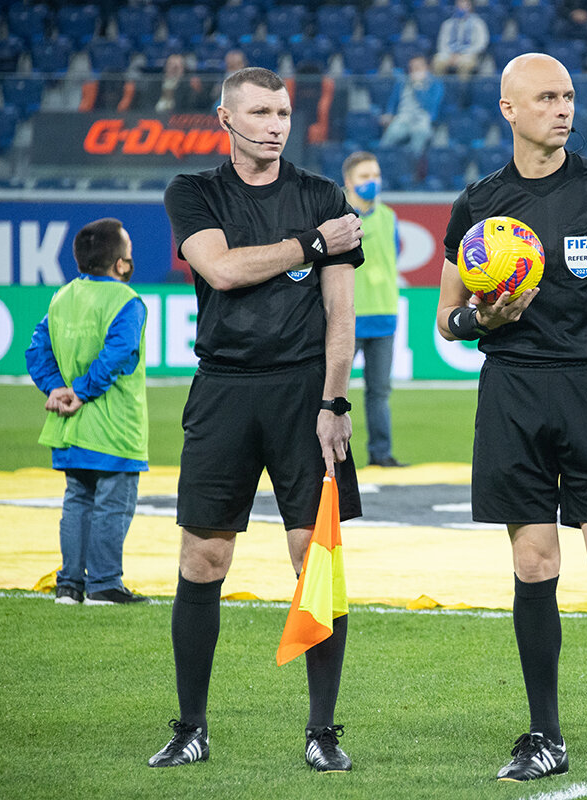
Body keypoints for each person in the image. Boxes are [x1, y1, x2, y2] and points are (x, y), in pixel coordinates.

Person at [435, 53, 587, 784]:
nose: (563, 108)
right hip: (512, 389)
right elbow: (446, 321)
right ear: (509, 109)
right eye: (546, 97)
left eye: (568, 96)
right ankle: (544, 735)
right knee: (534, 563)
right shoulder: (479, 202)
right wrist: (480, 315)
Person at [149, 67, 365, 773]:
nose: (277, 124)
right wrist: (310, 244)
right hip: (224, 389)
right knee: (203, 558)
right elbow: (222, 271)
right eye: (263, 112)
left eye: (284, 112)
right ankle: (190, 727)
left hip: (306, 395)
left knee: (316, 561)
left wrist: (335, 402)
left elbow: (342, 318)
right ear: (227, 118)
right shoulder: (196, 192)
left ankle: (324, 732)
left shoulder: (322, 194)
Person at [25, 218, 150, 607]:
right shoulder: (127, 302)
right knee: (113, 506)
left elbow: (36, 350)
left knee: (77, 502)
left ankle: (69, 586)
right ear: (120, 264)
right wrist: (81, 391)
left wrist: (56, 390)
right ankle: (105, 585)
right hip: (115, 429)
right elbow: (119, 353)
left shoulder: (62, 297)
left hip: (69, 428)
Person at [343, 150, 407, 468]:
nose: (373, 182)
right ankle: (324, 454)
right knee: (333, 393)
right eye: (365, 176)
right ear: (349, 182)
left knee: (379, 392)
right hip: (347, 318)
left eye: (376, 175)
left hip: (383, 316)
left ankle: (381, 455)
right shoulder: (337, 219)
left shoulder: (389, 217)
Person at [380, 54, 445, 157]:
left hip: (423, 118)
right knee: (391, 134)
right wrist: (389, 113)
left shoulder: (435, 84)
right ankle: (381, 160)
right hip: (403, 118)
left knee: (419, 134)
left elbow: (431, 106)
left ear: (426, 67)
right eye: (412, 67)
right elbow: (393, 100)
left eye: (418, 67)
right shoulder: (402, 82)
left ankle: (411, 164)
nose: (414, 70)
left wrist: (418, 87)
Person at [432, 0, 490, 79]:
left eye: (465, 4)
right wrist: (451, 55)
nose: (462, 7)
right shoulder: (448, 24)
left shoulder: (478, 23)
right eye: (459, 4)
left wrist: (463, 54)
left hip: (469, 54)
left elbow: (481, 44)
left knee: (465, 64)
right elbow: (442, 44)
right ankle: (442, 88)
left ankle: (462, 89)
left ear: (470, 6)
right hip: (449, 54)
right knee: (437, 61)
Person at [137, 53, 208, 112]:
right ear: (166, 67)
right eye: (170, 66)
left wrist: (197, 91)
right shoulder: (155, 84)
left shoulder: (187, 87)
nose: (173, 70)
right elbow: (146, 104)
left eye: (177, 67)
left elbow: (192, 107)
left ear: (183, 70)